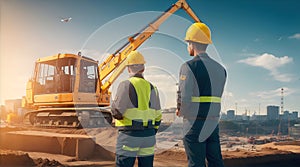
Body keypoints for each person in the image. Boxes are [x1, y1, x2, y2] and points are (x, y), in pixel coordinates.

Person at [176, 22, 227, 167]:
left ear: (191, 43)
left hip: (194, 123)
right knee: (216, 162)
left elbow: (184, 96)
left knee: (196, 163)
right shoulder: (221, 69)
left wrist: (180, 111)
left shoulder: (188, 67)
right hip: (212, 123)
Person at [111, 50, 162, 167]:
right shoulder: (153, 87)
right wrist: (151, 131)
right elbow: (158, 115)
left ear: (128, 68)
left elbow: (117, 113)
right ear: (143, 68)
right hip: (149, 135)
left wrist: (113, 104)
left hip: (129, 135)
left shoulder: (126, 85)